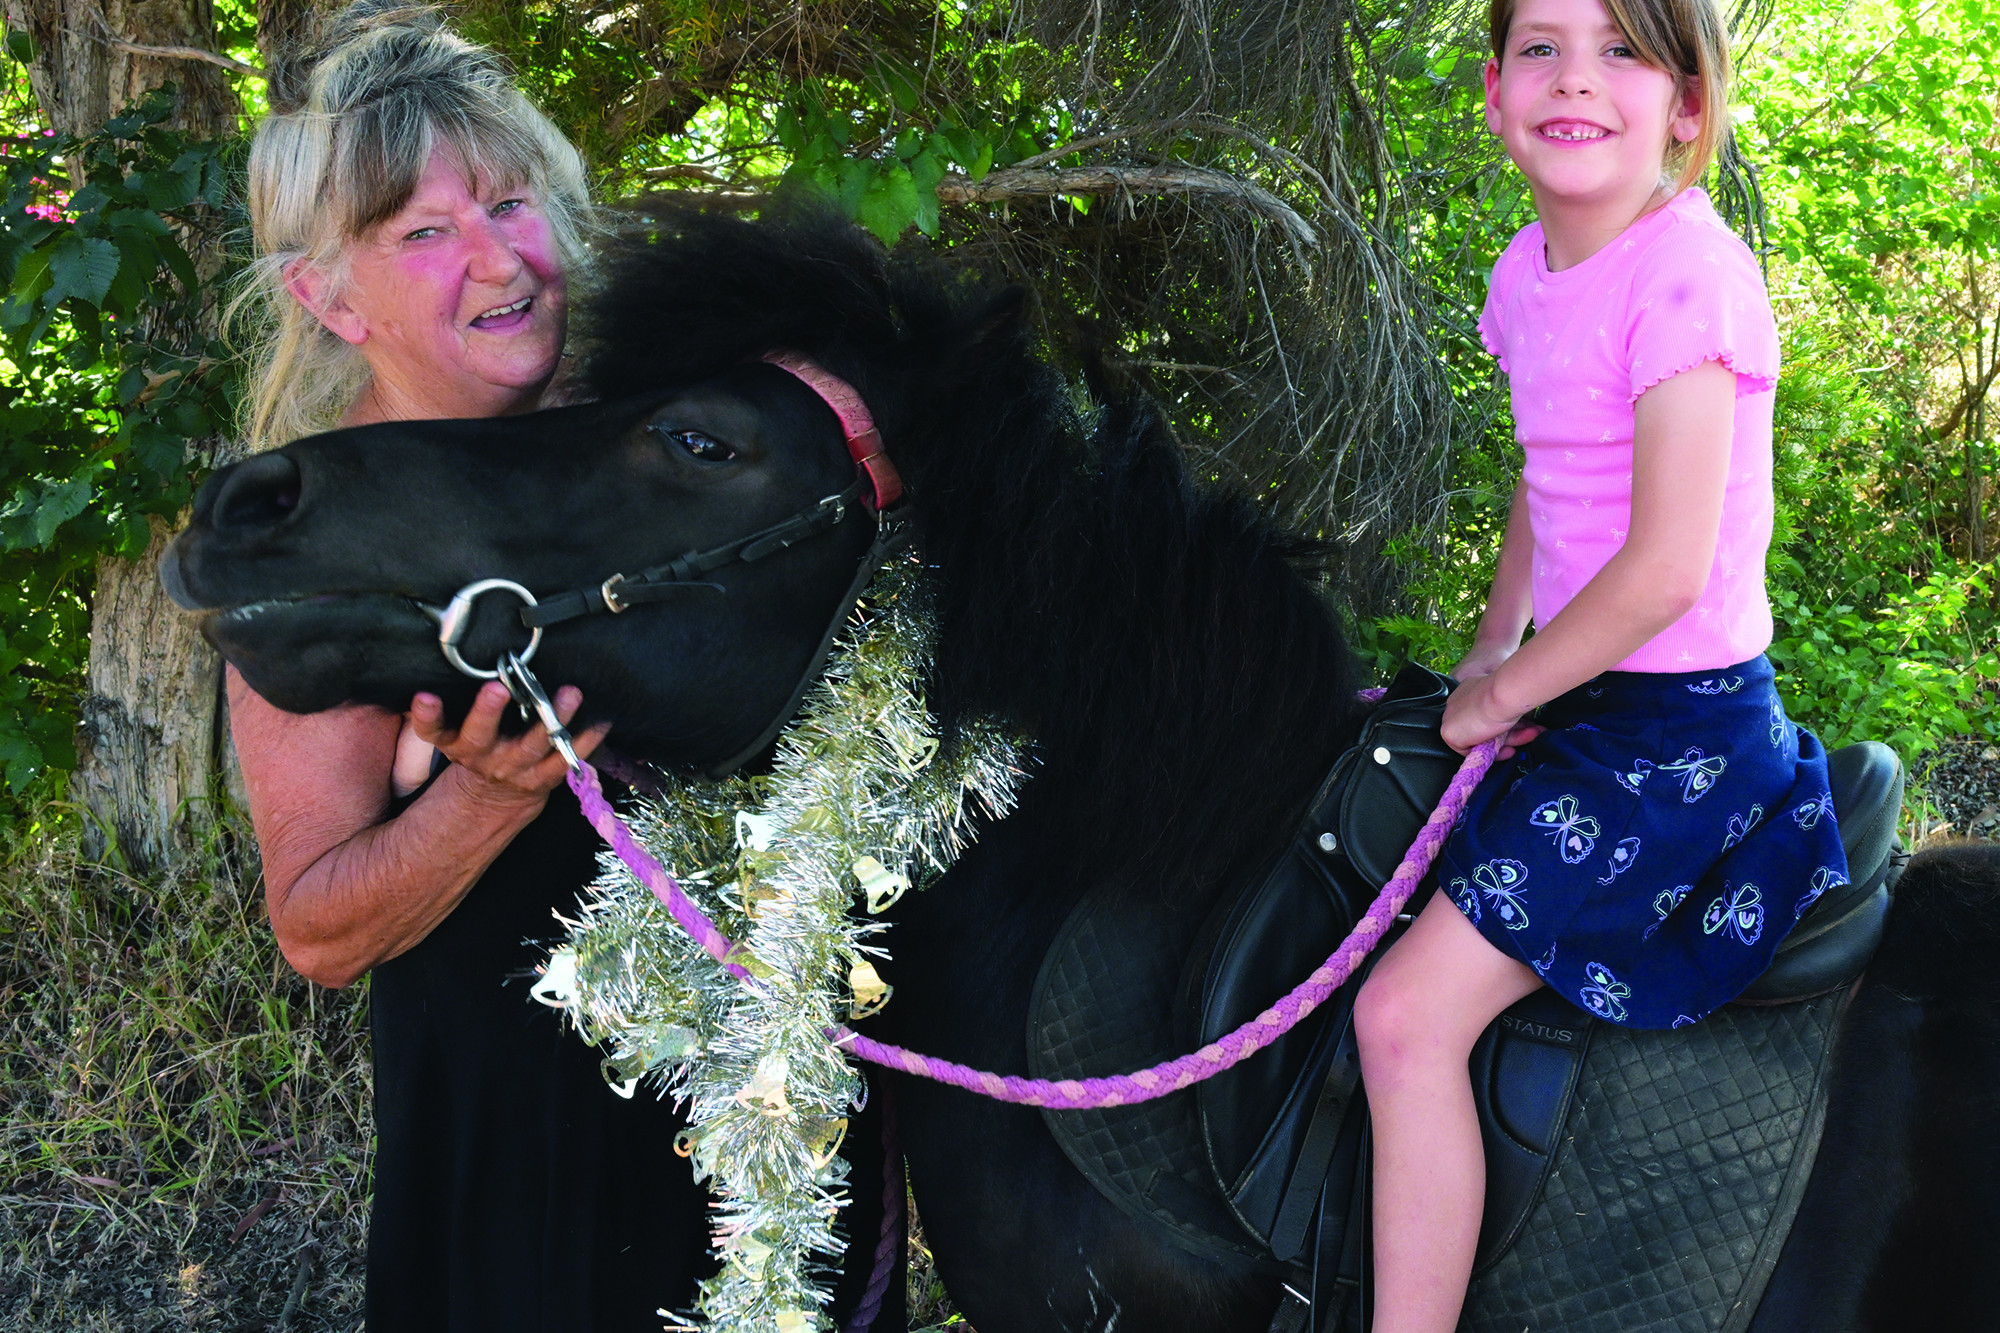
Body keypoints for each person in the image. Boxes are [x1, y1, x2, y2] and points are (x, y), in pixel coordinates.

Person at [1350, 0, 1850, 1327]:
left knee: (1404, 1020)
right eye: (1542, 47)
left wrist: (1506, 696)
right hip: (1579, 689)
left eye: (1625, 48)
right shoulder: (1527, 271)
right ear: (1499, 91)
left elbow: (1663, 566)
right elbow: (1550, 483)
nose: (1579, 78)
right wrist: (1491, 645)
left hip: (1681, 733)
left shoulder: (1691, 277)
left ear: (1688, 104)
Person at [230, 6, 710, 1328]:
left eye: (512, 201)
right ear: (328, 297)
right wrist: (481, 799)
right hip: (520, 1186)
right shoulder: (310, 549)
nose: (499, 258)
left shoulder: (665, 453)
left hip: (758, 1142)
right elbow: (317, 927)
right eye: (425, 233)